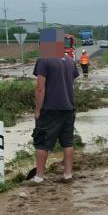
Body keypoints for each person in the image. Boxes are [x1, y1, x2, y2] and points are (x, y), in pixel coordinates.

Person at [31, 55, 80, 183]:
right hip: (68, 108)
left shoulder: (44, 60)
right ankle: (68, 174)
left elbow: (40, 88)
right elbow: (70, 82)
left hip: (49, 109)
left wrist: (37, 110)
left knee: (42, 142)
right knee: (68, 143)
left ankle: (39, 177)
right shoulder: (70, 60)